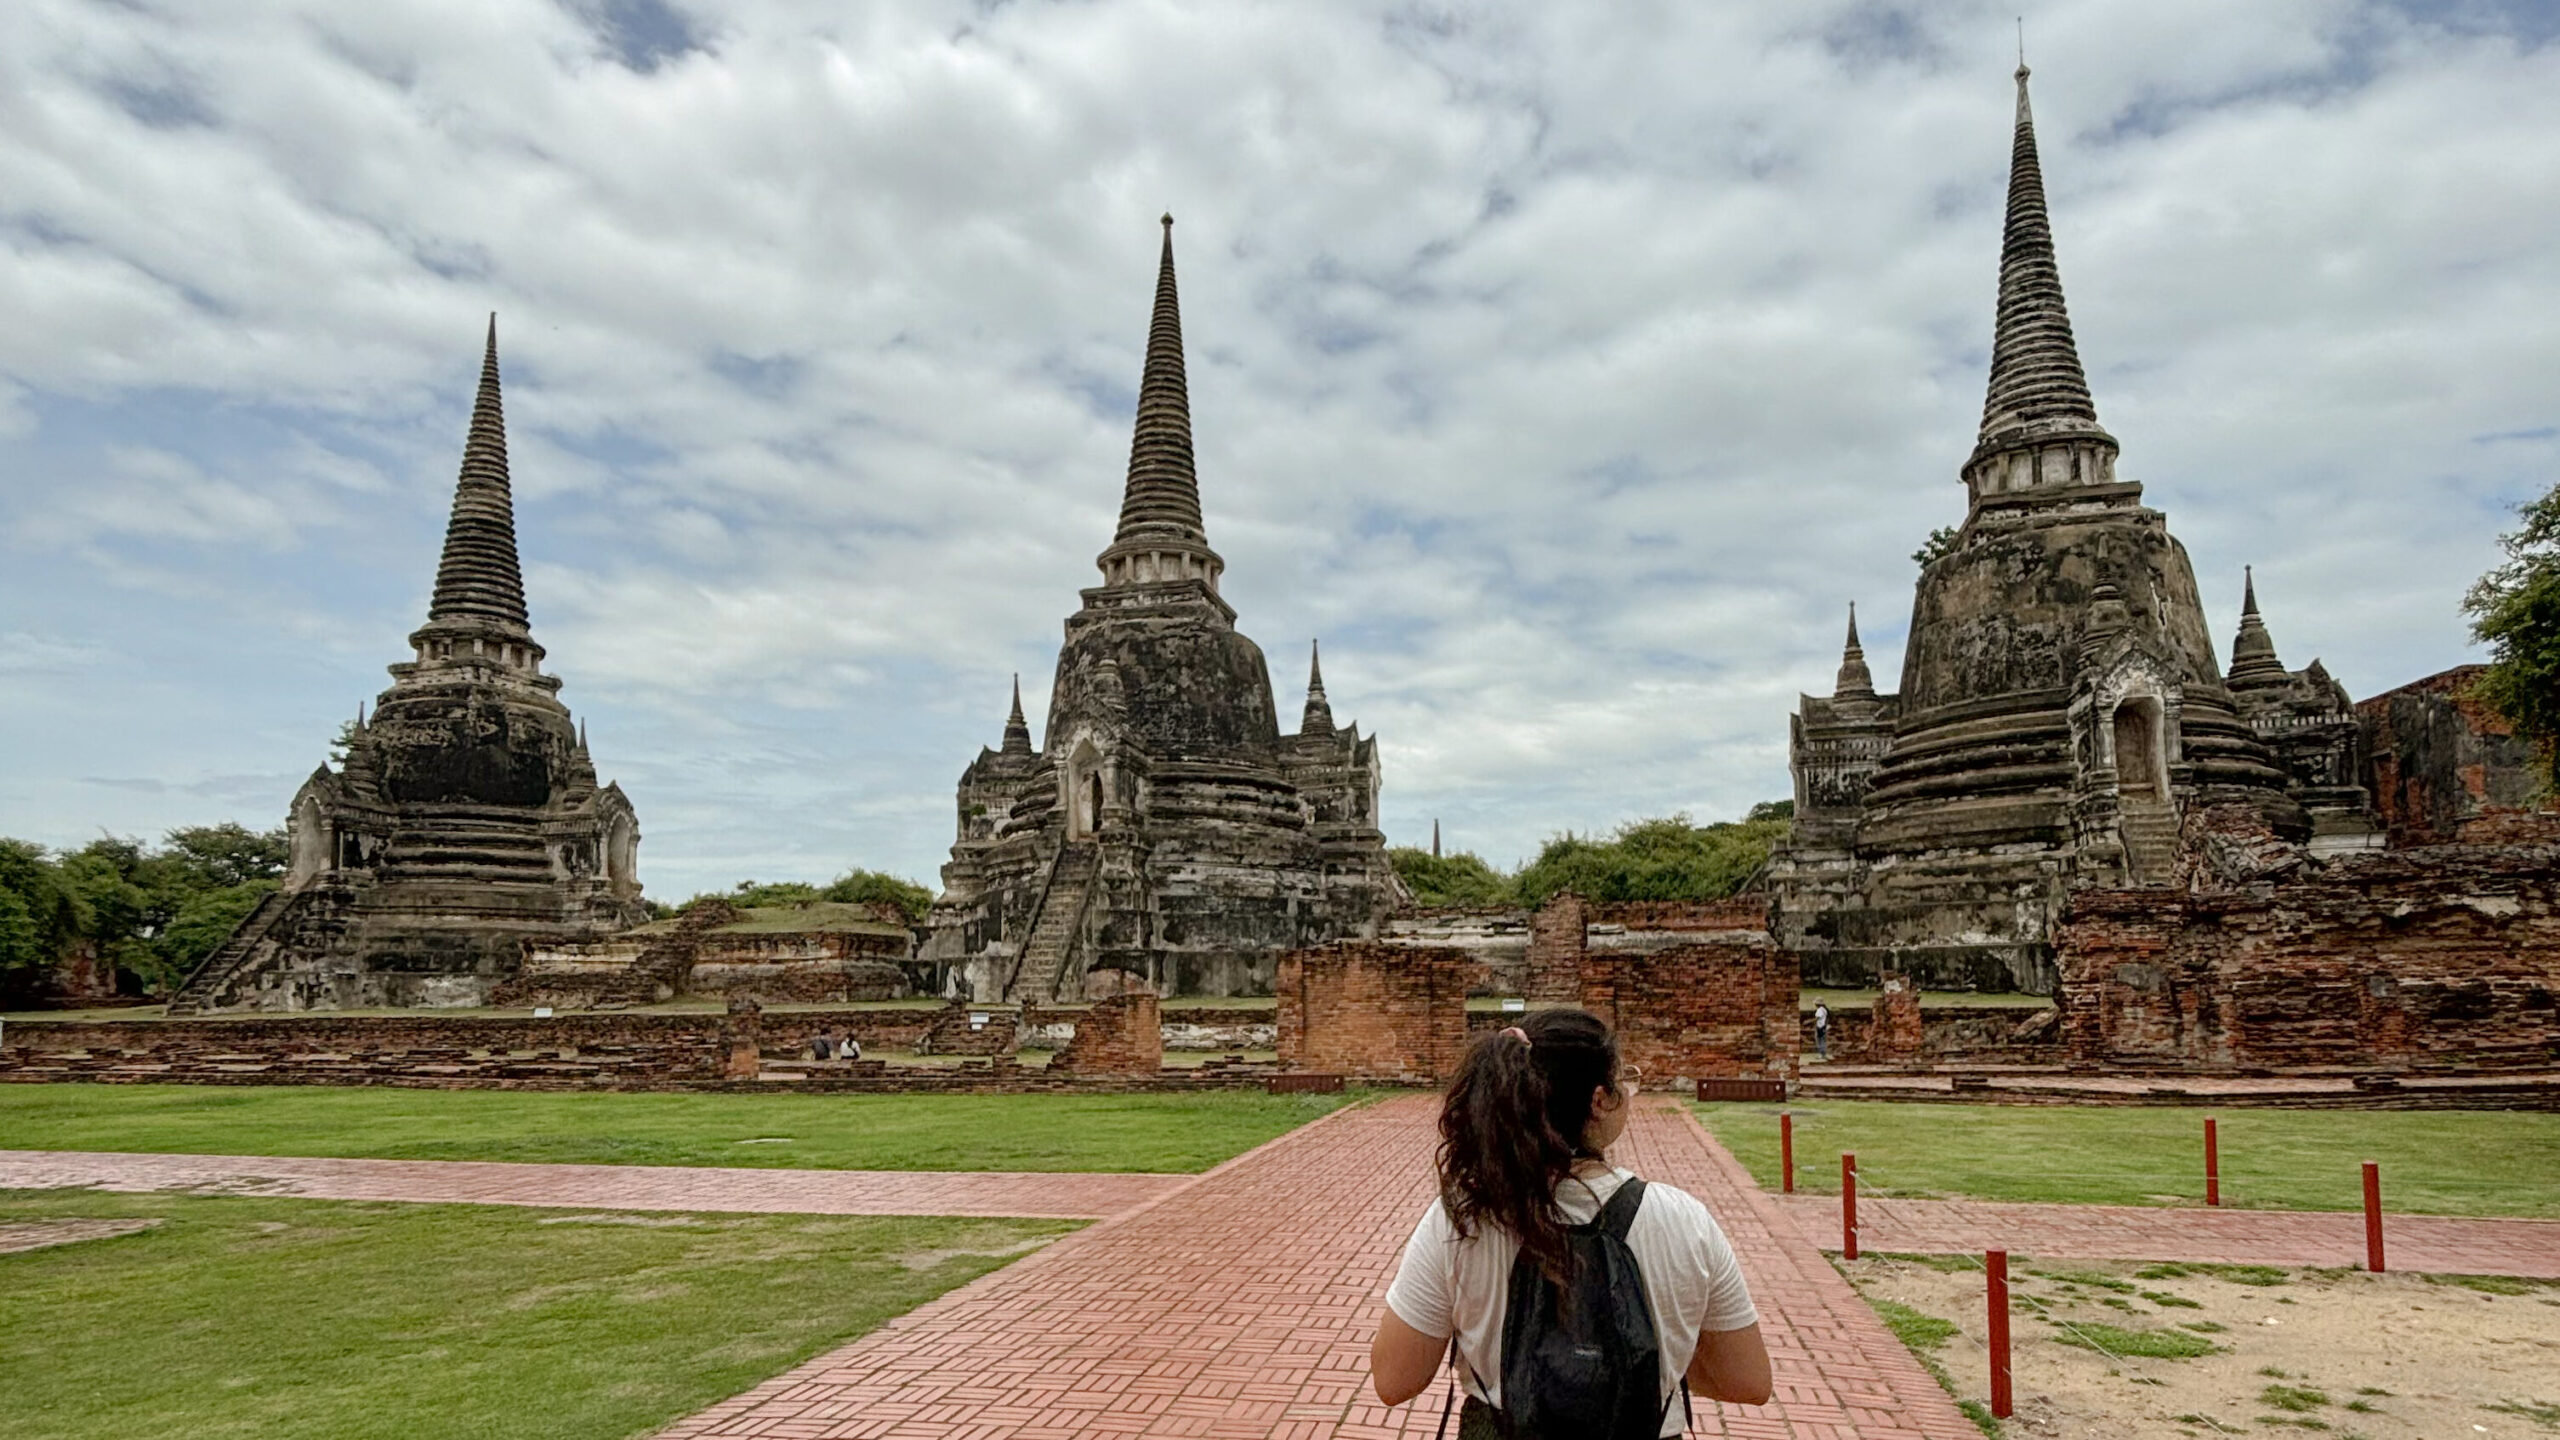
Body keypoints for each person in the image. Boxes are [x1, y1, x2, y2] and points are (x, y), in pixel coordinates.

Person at [1369, 1008, 1773, 1436]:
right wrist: (1650, 1361)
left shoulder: (1467, 1216)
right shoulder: (1683, 1221)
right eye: (1624, 1080)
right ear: (1600, 1101)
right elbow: (1747, 1380)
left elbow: (1394, 1380)